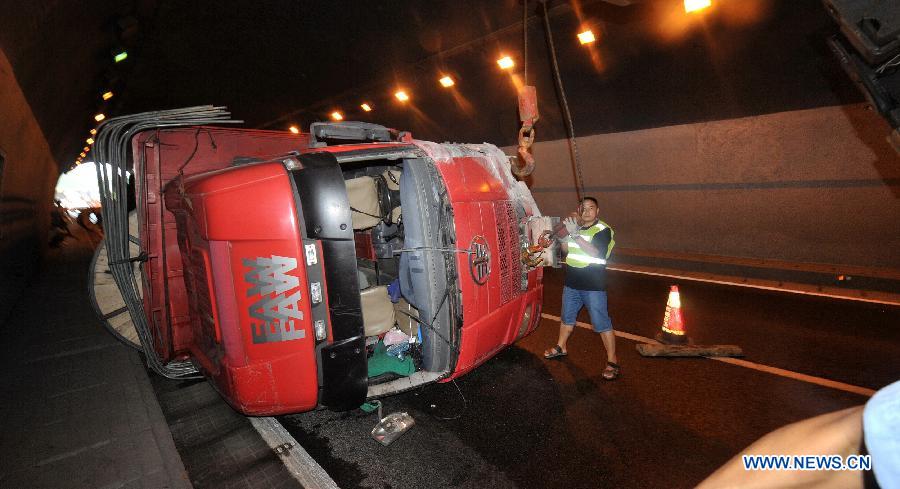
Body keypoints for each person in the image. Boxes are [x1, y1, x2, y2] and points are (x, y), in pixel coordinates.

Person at [543, 196, 619, 381]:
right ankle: (561, 346)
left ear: (597, 211)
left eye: (591, 208)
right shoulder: (575, 228)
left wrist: (575, 234)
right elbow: (567, 251)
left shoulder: (603, 229)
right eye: (583, 209)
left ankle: (612, 360)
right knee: (566, 318)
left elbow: (595, 252)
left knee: (601, 323)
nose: (587, 212)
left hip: (593, 286)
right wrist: (563, 236)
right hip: (572, 283)